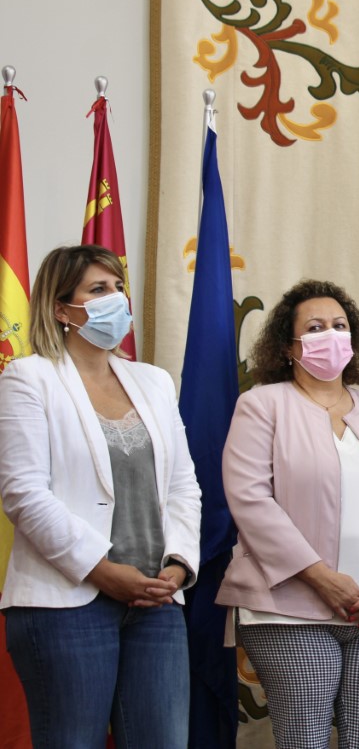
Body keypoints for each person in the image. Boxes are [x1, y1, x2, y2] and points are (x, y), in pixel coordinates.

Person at [216, 279, 359, 749]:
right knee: (304, 739)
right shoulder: (261, 406)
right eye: (315, 327)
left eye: (339, 326)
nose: (330, 335)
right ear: (288, 346)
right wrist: (319, 576)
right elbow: (250, 499)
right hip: (289, 608)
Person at [0, 244, 201, 746]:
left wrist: (178, 563)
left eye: (118, 288)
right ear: (61, 309)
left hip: (156, 600)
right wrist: (101, 569)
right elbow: (24, 494)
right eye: (98, 290)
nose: (117, 300)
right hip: (65, 603)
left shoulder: (153, 381)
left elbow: (182, 485)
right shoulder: (29, 378)